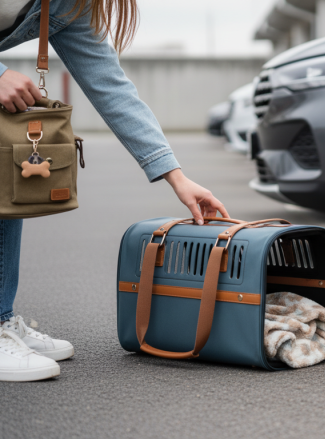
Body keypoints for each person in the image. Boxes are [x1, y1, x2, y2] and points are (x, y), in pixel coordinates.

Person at [0, 0, 229, 381]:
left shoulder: (69, 5)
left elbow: (109, 85)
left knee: (8, 183)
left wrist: (176, 176)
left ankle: (1, 317)